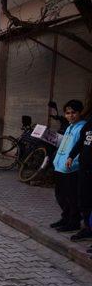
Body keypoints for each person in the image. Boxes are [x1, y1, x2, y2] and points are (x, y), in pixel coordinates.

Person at [51, 100, 87, 233]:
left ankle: (74, 222)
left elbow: (80, 148)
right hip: (60, 166)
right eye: (67, 113)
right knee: (60, 195)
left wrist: (73, 162)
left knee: (72, 197)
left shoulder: (82, 127)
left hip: (71, 168)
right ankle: (65, 218)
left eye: (73, 113)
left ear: (79, 113)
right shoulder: (69, 127)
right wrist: (56, 161)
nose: (70, 116)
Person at [66, 113, 92, 241]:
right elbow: (81, 142)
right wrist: (71, 155)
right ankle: (88, 228)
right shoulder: (89, 123)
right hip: (84, 169)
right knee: (84, 201)